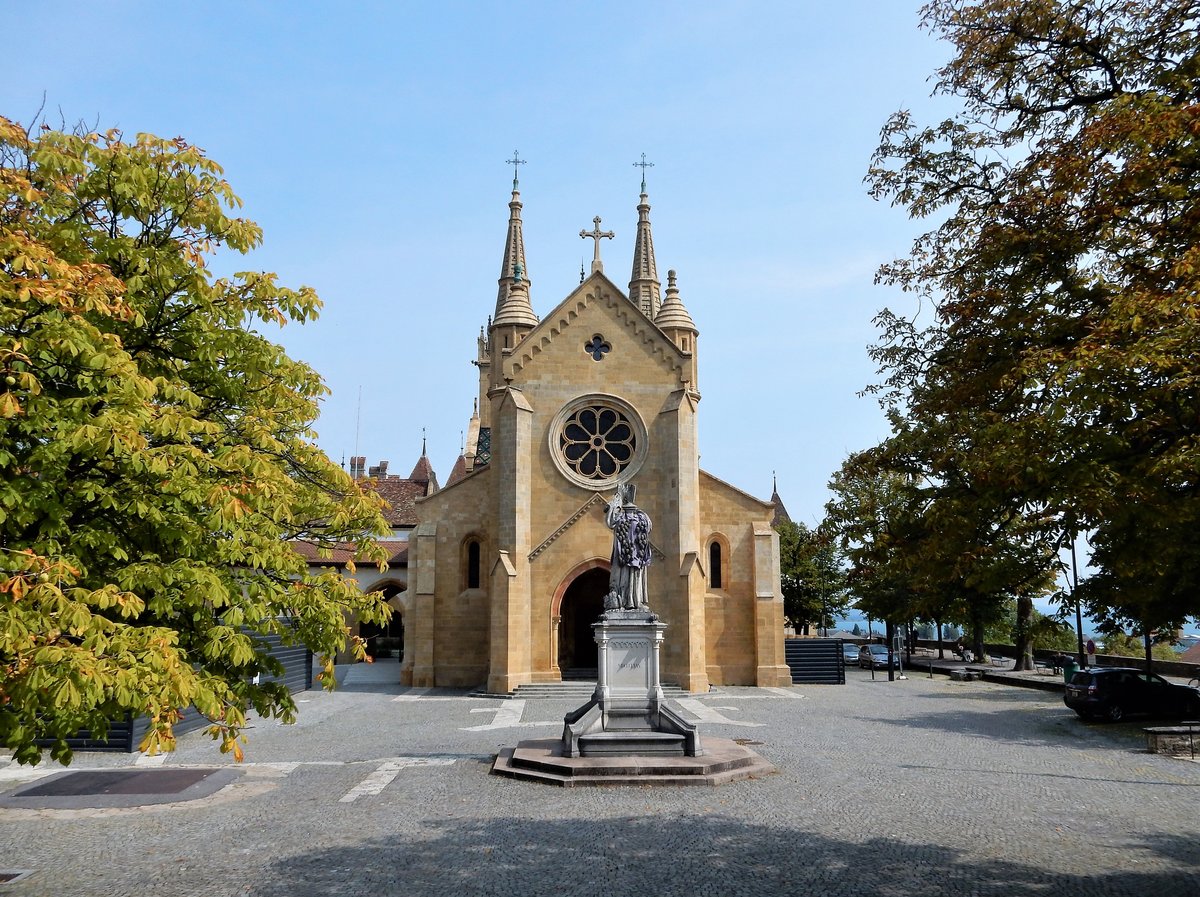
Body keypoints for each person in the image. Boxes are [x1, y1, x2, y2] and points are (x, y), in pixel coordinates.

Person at [604, 482, 652, 612]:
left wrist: (616, 502)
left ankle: (632, 601)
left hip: (630, 558)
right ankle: (628, 601)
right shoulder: (637, 518)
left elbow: (610, 519)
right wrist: (617, 501)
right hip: (626, 558)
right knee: (625, 578)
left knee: (629, 578)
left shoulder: (638, 517)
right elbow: (610, 521)